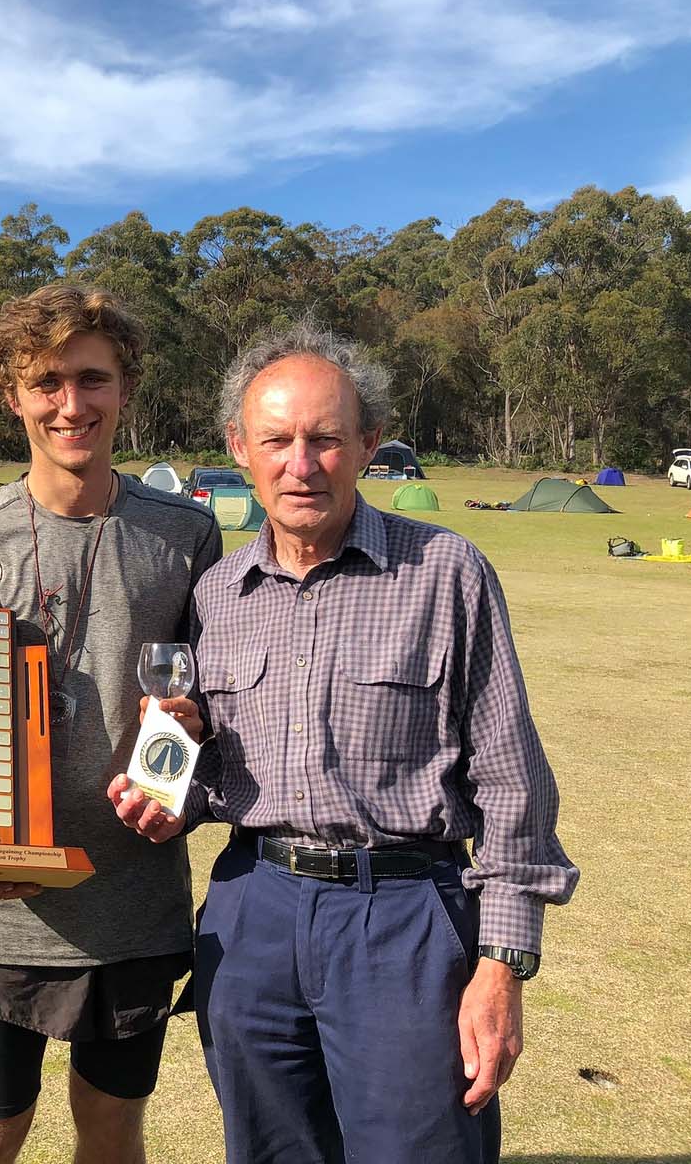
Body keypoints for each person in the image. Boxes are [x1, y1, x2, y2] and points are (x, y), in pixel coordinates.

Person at [112, 322, 579, 1164]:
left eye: (326, 439)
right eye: (277, 441)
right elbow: (223, 774)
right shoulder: (219, 594)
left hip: (404, 920)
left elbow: (515, 783)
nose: (302, 464)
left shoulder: (446, 573)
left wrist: (502, 964)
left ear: (368, 444)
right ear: (239, 449)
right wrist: (172, 797)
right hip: (253, 914)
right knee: (270, 1149)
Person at [0, 283, 222, 1164]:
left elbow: (210, 708)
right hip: (7, 902)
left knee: (111, 1126)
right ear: (13, 395)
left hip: (135, 893)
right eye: (46, 382)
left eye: (92, 379)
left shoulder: (185, 535)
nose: (70, 405)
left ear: (126, 388)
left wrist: (185, 763)